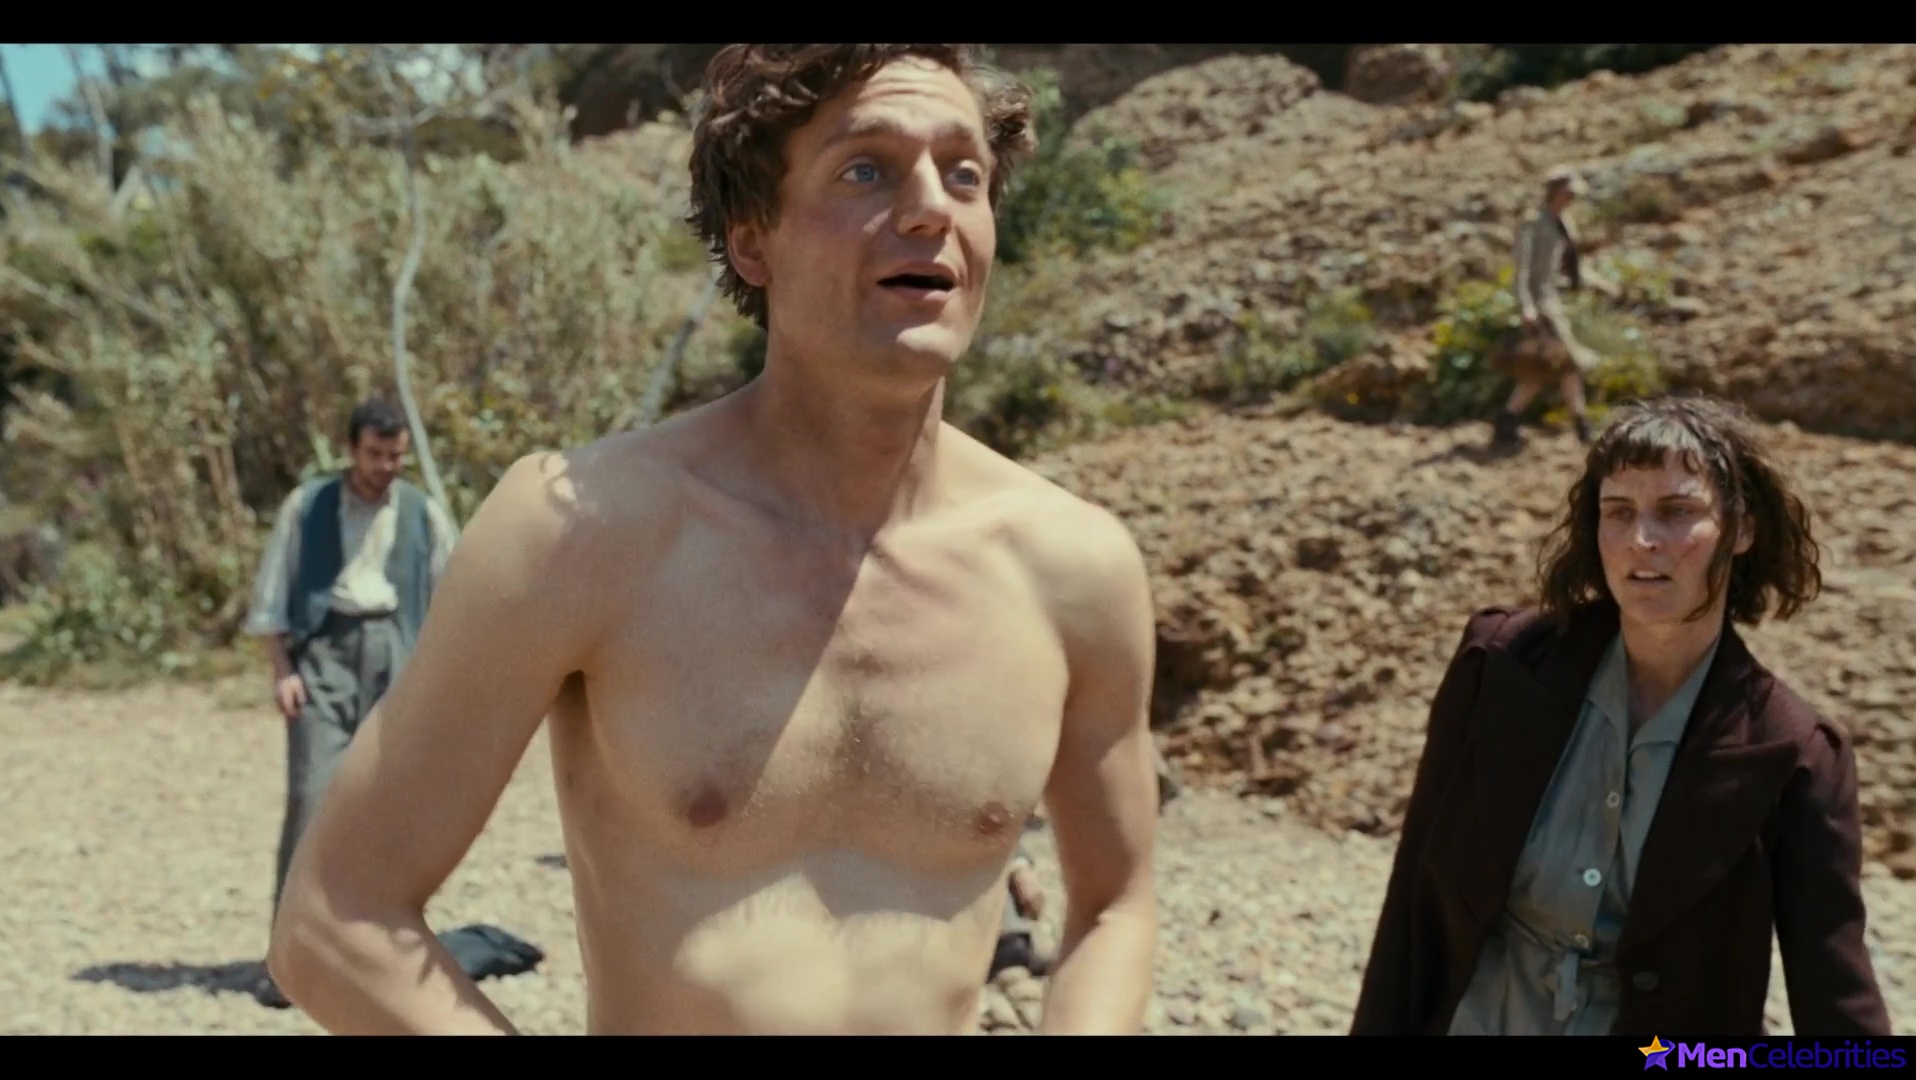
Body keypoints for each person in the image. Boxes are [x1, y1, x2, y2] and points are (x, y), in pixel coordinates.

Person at [266, 44, 1161, 1036]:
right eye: (865, 170)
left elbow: (1115, 904)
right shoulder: (585, 531)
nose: (928, 210)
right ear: (751, 242)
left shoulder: (1072, 568)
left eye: (963, 174)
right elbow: (332, 918)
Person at [1352, 394, 1891, 1036]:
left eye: (1677, 511)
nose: (1642, 540)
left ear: (1743, 529)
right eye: (1619, 512)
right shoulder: (1499, 666)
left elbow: (1834, 991)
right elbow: (1410, 903)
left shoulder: (1794, 752)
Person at [241, 397, 461, 1007]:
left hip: (398, 654)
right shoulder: (307, 506)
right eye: (374, 454)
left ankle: (375, 957)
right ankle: (288, 960)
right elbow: (271, 595)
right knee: (310, 798)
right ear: (350, 450)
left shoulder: (423, 513)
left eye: (395, 456)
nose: (385, 467)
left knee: (390, 811)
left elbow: (455, 599)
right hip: (325, 655)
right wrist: (282, 670)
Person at [1488, 165, 1619, 452]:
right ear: (1556, 192)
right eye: (1568, 194)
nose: (1571, 199)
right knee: (1567, 364)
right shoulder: (1533, 223)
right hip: (1541, 307)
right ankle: (1582, 429)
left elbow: (1572, 267)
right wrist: (1526, 306)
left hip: (1553, 303)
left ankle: (1508, 422)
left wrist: (1601, 284)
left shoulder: (1563, 224)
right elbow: (1522, 270)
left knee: (1544, 371)